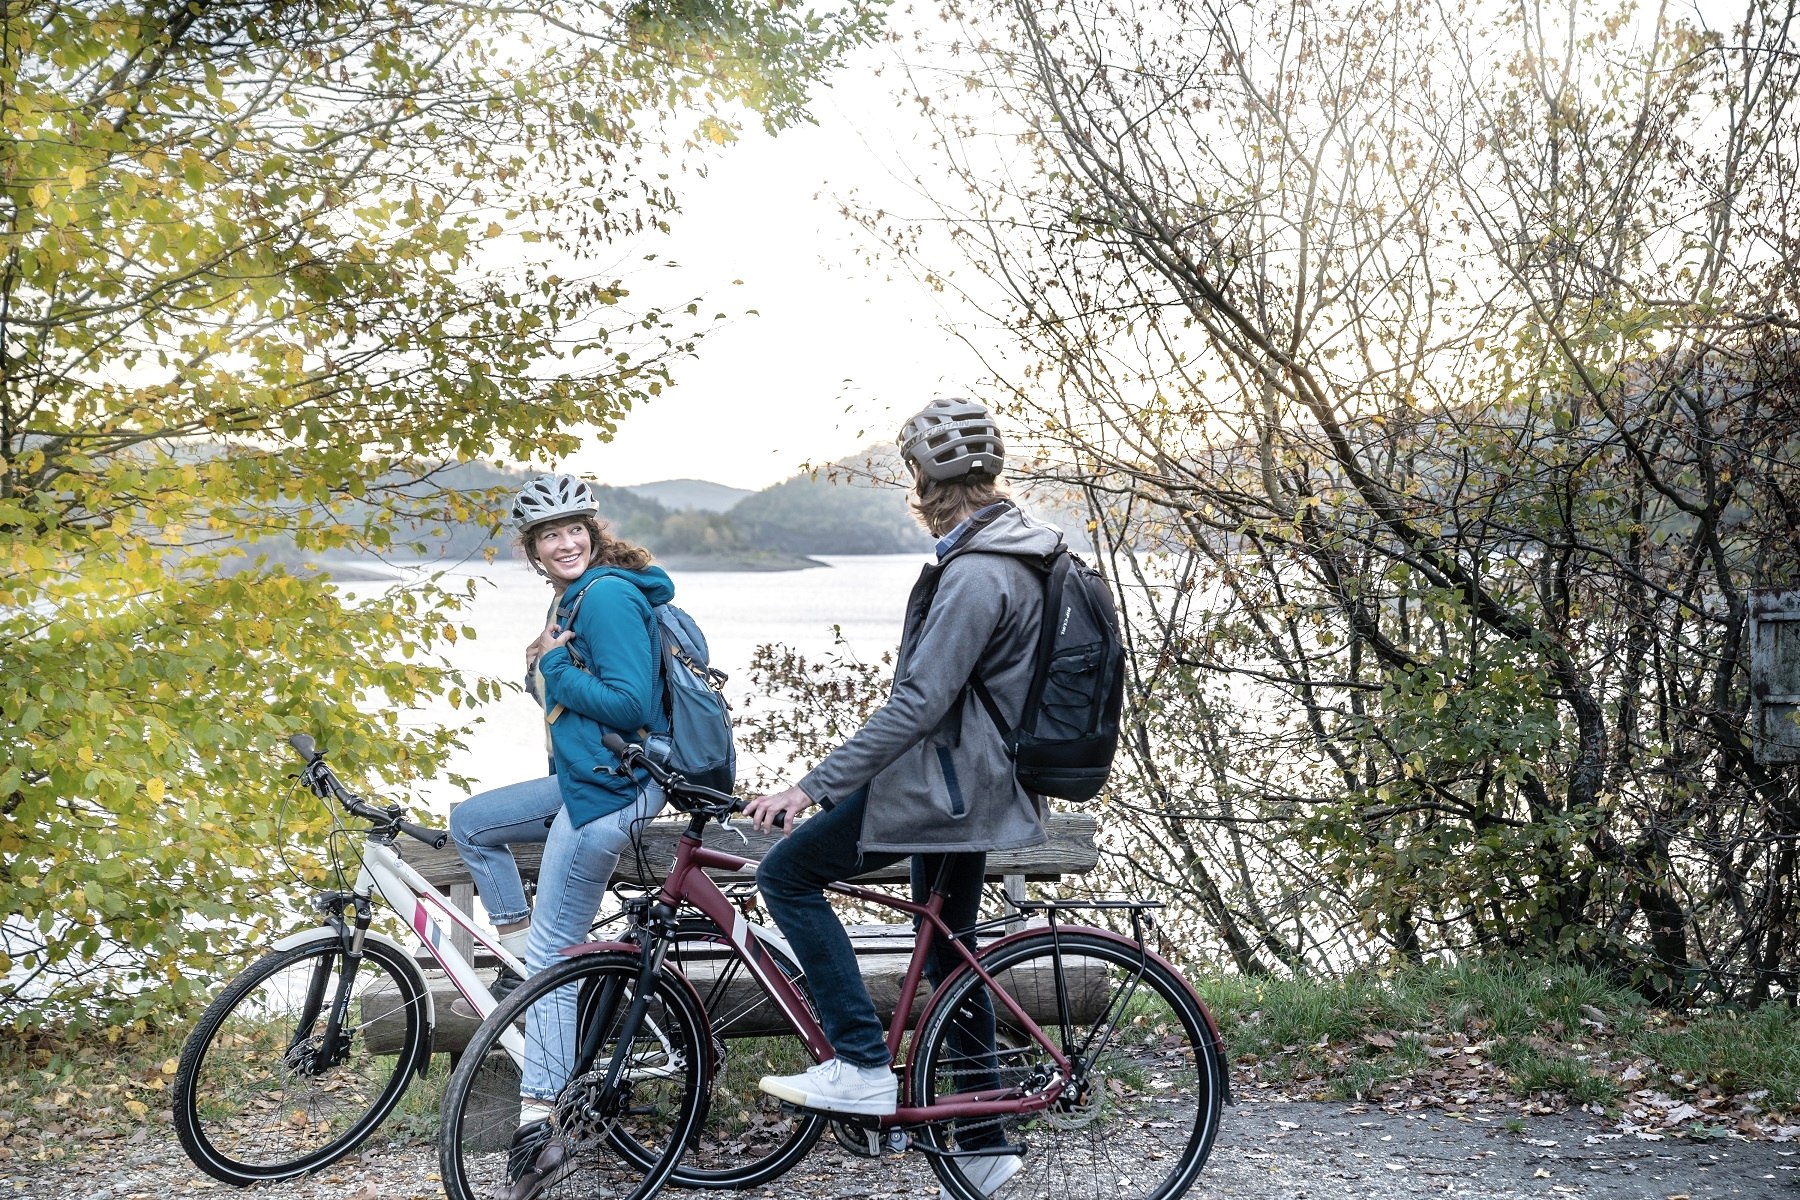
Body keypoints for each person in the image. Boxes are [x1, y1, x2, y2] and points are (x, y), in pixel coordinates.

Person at [744, 397, 1060, 1200]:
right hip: (976, 786)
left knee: (787, 874)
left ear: (923, 480)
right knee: (952, 955)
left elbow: (919, 703)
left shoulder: (979, 571)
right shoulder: (1019, 547)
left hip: (945, 791)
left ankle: (859, 1063)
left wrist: (811, 785)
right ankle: (983, 1143)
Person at [445, 472, 671, 1200]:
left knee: (555, 957)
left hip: (616, 788)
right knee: (472, 824)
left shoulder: (604, 595)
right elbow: (561, 693)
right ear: (533, 549)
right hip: (588, 776)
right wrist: (536, 662)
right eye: (550, 535)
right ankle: (520, 959)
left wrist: (549, 663)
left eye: (575, 530)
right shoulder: (569, 599)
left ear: (593, 533)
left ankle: (542, 1124)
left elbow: (630, 704)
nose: (565, 542)